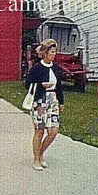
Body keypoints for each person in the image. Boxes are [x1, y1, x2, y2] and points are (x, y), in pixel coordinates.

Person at [25, 39, 65, 170]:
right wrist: (41, 85)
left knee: (53, 131)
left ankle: (41, 153)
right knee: (40, 130)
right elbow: (27, 84)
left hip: (53, 100)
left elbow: (59, 86)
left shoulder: (56, 68)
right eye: (52, 52)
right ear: (45, 53)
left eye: (55, 52)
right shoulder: (37, 68)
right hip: (40, 101)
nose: (54, 54)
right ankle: (36, 159)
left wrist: (61, 101)